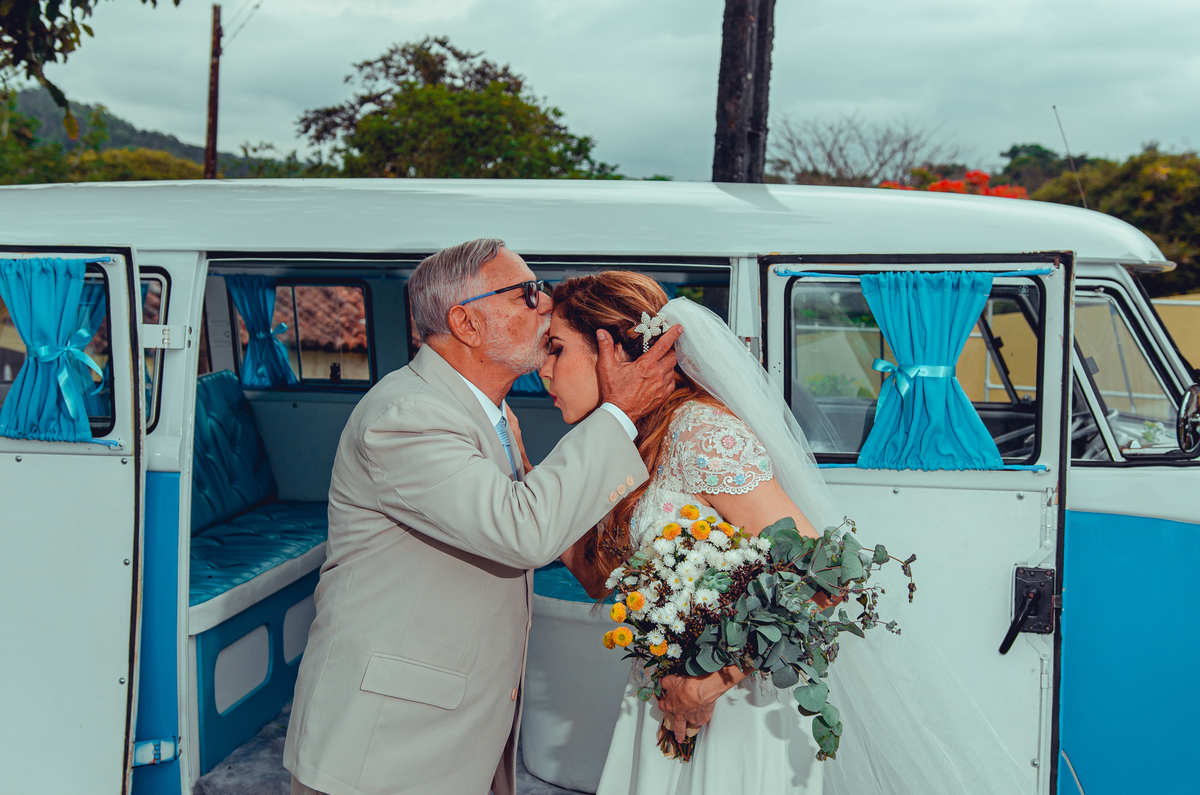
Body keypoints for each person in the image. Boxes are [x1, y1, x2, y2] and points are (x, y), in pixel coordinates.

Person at [535, 272, 1036, 795]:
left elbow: (827, 574)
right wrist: (529, 482)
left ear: (610, 349)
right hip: (663, 698)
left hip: (733, 708)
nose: (543, 372)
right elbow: (599, 581)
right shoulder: (630, 443)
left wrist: (706, 686)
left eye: (556, 350)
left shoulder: (699, 433)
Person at [282, 240, 682, 795]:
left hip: (457, 731)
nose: (546, 305)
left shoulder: (489, 416)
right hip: (385, 750)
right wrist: (618, 414)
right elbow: (522, 533)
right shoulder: (408, 415)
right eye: (526, 294)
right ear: (466, 322)